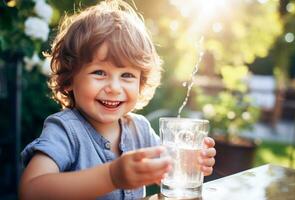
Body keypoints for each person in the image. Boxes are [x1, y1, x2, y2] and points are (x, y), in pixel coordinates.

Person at [19, 0, 216, 199]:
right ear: (69, 79)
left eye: (127, 75)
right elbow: (31, 191)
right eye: (99, 72)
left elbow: (165, 171)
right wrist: (112, 176)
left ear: (141, 82)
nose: (114, 88)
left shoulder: (140, 129)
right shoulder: (65, 131)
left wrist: (189, 164)